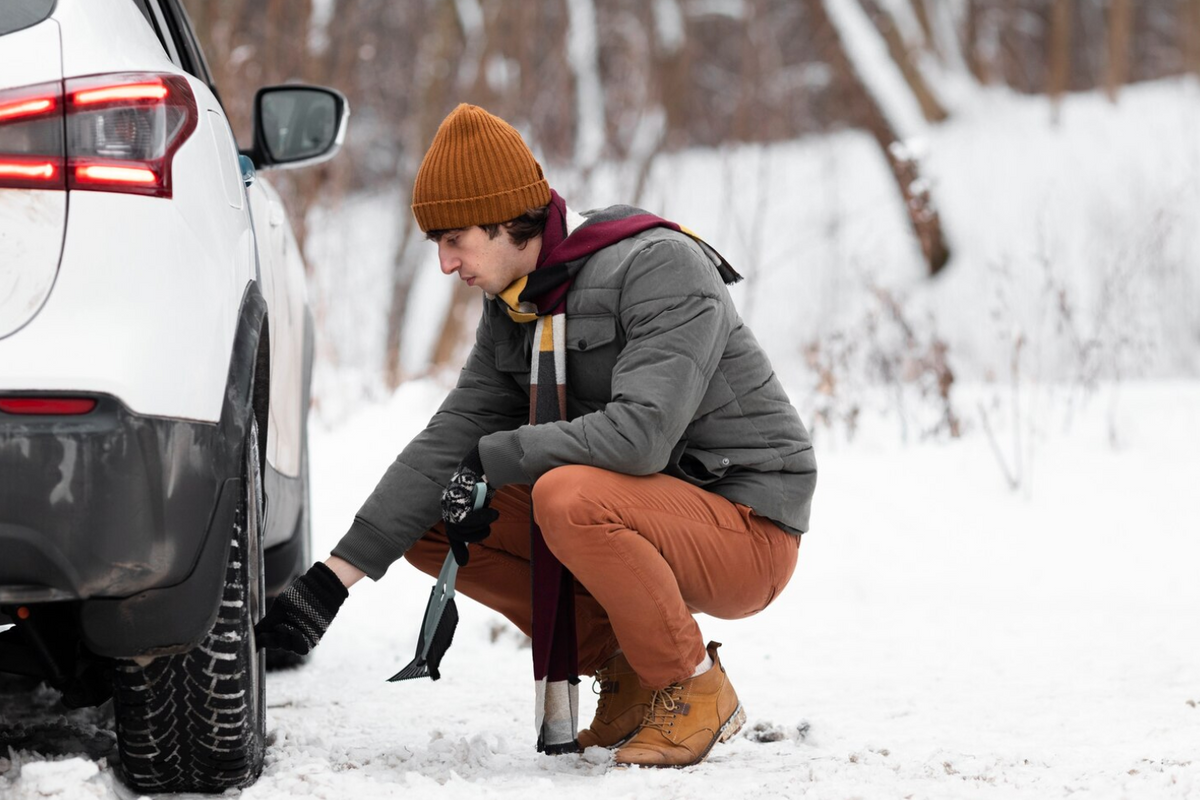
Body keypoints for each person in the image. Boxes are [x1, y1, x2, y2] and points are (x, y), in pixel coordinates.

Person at [256, 104, 817, 768]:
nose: (444, 263)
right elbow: (451, 439)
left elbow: (640, 438)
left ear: (505, 220)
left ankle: (692, 684)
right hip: (647, 508)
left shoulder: (659, 266)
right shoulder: (518, 304)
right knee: (442, 516)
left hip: (746, 525)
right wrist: (331, 581)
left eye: (454, 239)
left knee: (566, 495)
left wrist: (502, 454)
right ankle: (628, 671)